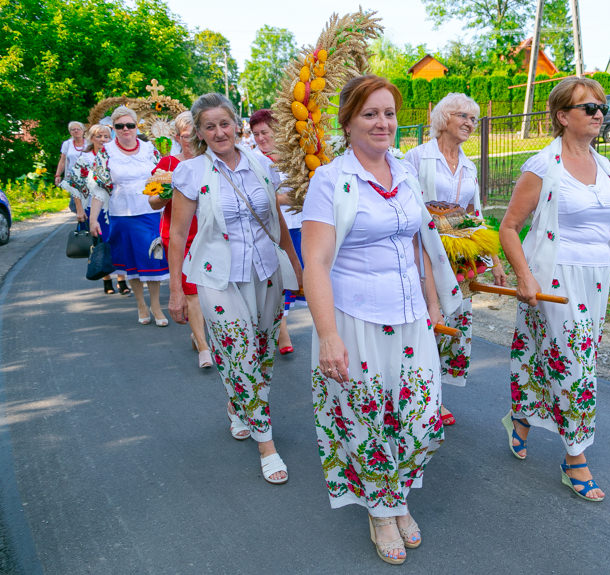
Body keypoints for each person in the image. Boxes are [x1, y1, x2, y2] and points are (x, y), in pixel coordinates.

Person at [303, 75, 462, 565]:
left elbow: (421, 244)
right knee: (367, 419)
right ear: (348, 122)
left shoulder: (408, 173)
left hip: (412, 316)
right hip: (356, 319)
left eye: (389, 113)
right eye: (370, 113)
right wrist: (328, 336)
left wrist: (432, 302)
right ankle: (382, 509)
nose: (382, 123)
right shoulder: (331, 180)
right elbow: (316, 265)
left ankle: (392, 495)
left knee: (421, 421)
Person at [498, 77, 610, 502]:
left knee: (554, 358)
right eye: (588, 108)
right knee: (575, 367)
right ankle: (575, 457)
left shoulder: (605, 166)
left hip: (595, 281)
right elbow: (508, 228)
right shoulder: (543, 166)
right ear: (563, 116)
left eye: (601, 108)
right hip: (552, 278)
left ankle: (521, 415)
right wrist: (525, 276)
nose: (598, 114)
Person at [167, 93, 302, 485]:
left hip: (265, 271)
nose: (219, 132)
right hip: (215, 277)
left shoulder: (262, 165)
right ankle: (266, 444)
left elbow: (275, 218)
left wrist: (296, 265)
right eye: (210, 126)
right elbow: (177, 236)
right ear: (200, 132)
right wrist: (177, 290)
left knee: (260, 352)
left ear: (236, 125)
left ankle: (237, 402)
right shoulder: (190, 173)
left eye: (224, 124)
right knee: (239, 350)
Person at [404, 93, 507, 425]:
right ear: (443, 117)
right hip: (422, 253)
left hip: (459, 257)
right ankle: (420, 396)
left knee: (453, 323)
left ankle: (436, 395)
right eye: (463, 116)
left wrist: (496, 260)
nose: (469, 123)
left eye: (474, 119)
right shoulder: (416, 158)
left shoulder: (469, 164)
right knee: (425, 322)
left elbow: (475, 214)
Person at [89, 106, 169, 325]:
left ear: (137, 127)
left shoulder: (150, 149)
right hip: (121, 215)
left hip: (151, 213)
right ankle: (141, 305)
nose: (125, 129)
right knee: (132, 263)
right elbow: (99, 187)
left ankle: (156, 306)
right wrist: (93, 218)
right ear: (113, 128)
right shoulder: (106, 153)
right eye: (120, 126)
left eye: (130, 125)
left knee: (154, 260)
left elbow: (164, 178)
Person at [147, 111, 212, 368]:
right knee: (192, 292)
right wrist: (166, 190)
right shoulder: (167, 164)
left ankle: (198, 333)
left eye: (196, 134)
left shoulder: (211, 160)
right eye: (186, 137)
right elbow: (153, 202)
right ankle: (204, 348)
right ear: (177, 137)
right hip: (179, 236)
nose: (192, 140)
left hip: (211, 234)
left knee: (210, 292)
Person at [249, 108, 302, 354]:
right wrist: (289, 197)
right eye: (255, 133)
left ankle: (279, 327)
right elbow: (262, 198)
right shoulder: (252, 161)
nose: (260, 138)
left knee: (301, 275)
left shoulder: (295, 154)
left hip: (301, 224)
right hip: (273, 228)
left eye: (265, 132)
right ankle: (282, 332)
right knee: (279, 277)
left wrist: (285, 197)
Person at [61, 124, 130, 295]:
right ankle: (106, 279)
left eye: (106, 136)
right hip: (95, 207)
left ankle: (122, 279)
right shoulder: (85, 159)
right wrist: (79, 210)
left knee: (118, 241)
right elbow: (76, 186)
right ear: (91, 138)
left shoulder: (115, 156)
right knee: (101, 242)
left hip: (116, 206)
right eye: (98, 136)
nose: (102, 140)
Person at [55, 121, 86, 189]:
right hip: (72, 177)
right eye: (73, 129)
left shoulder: (89, 143)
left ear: (83, 131)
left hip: (87, 177)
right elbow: (62, 161)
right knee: (74, 198)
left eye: (78, 129)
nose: (76, 131)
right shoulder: (67, 144)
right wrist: (58, 175)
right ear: (70, 132)